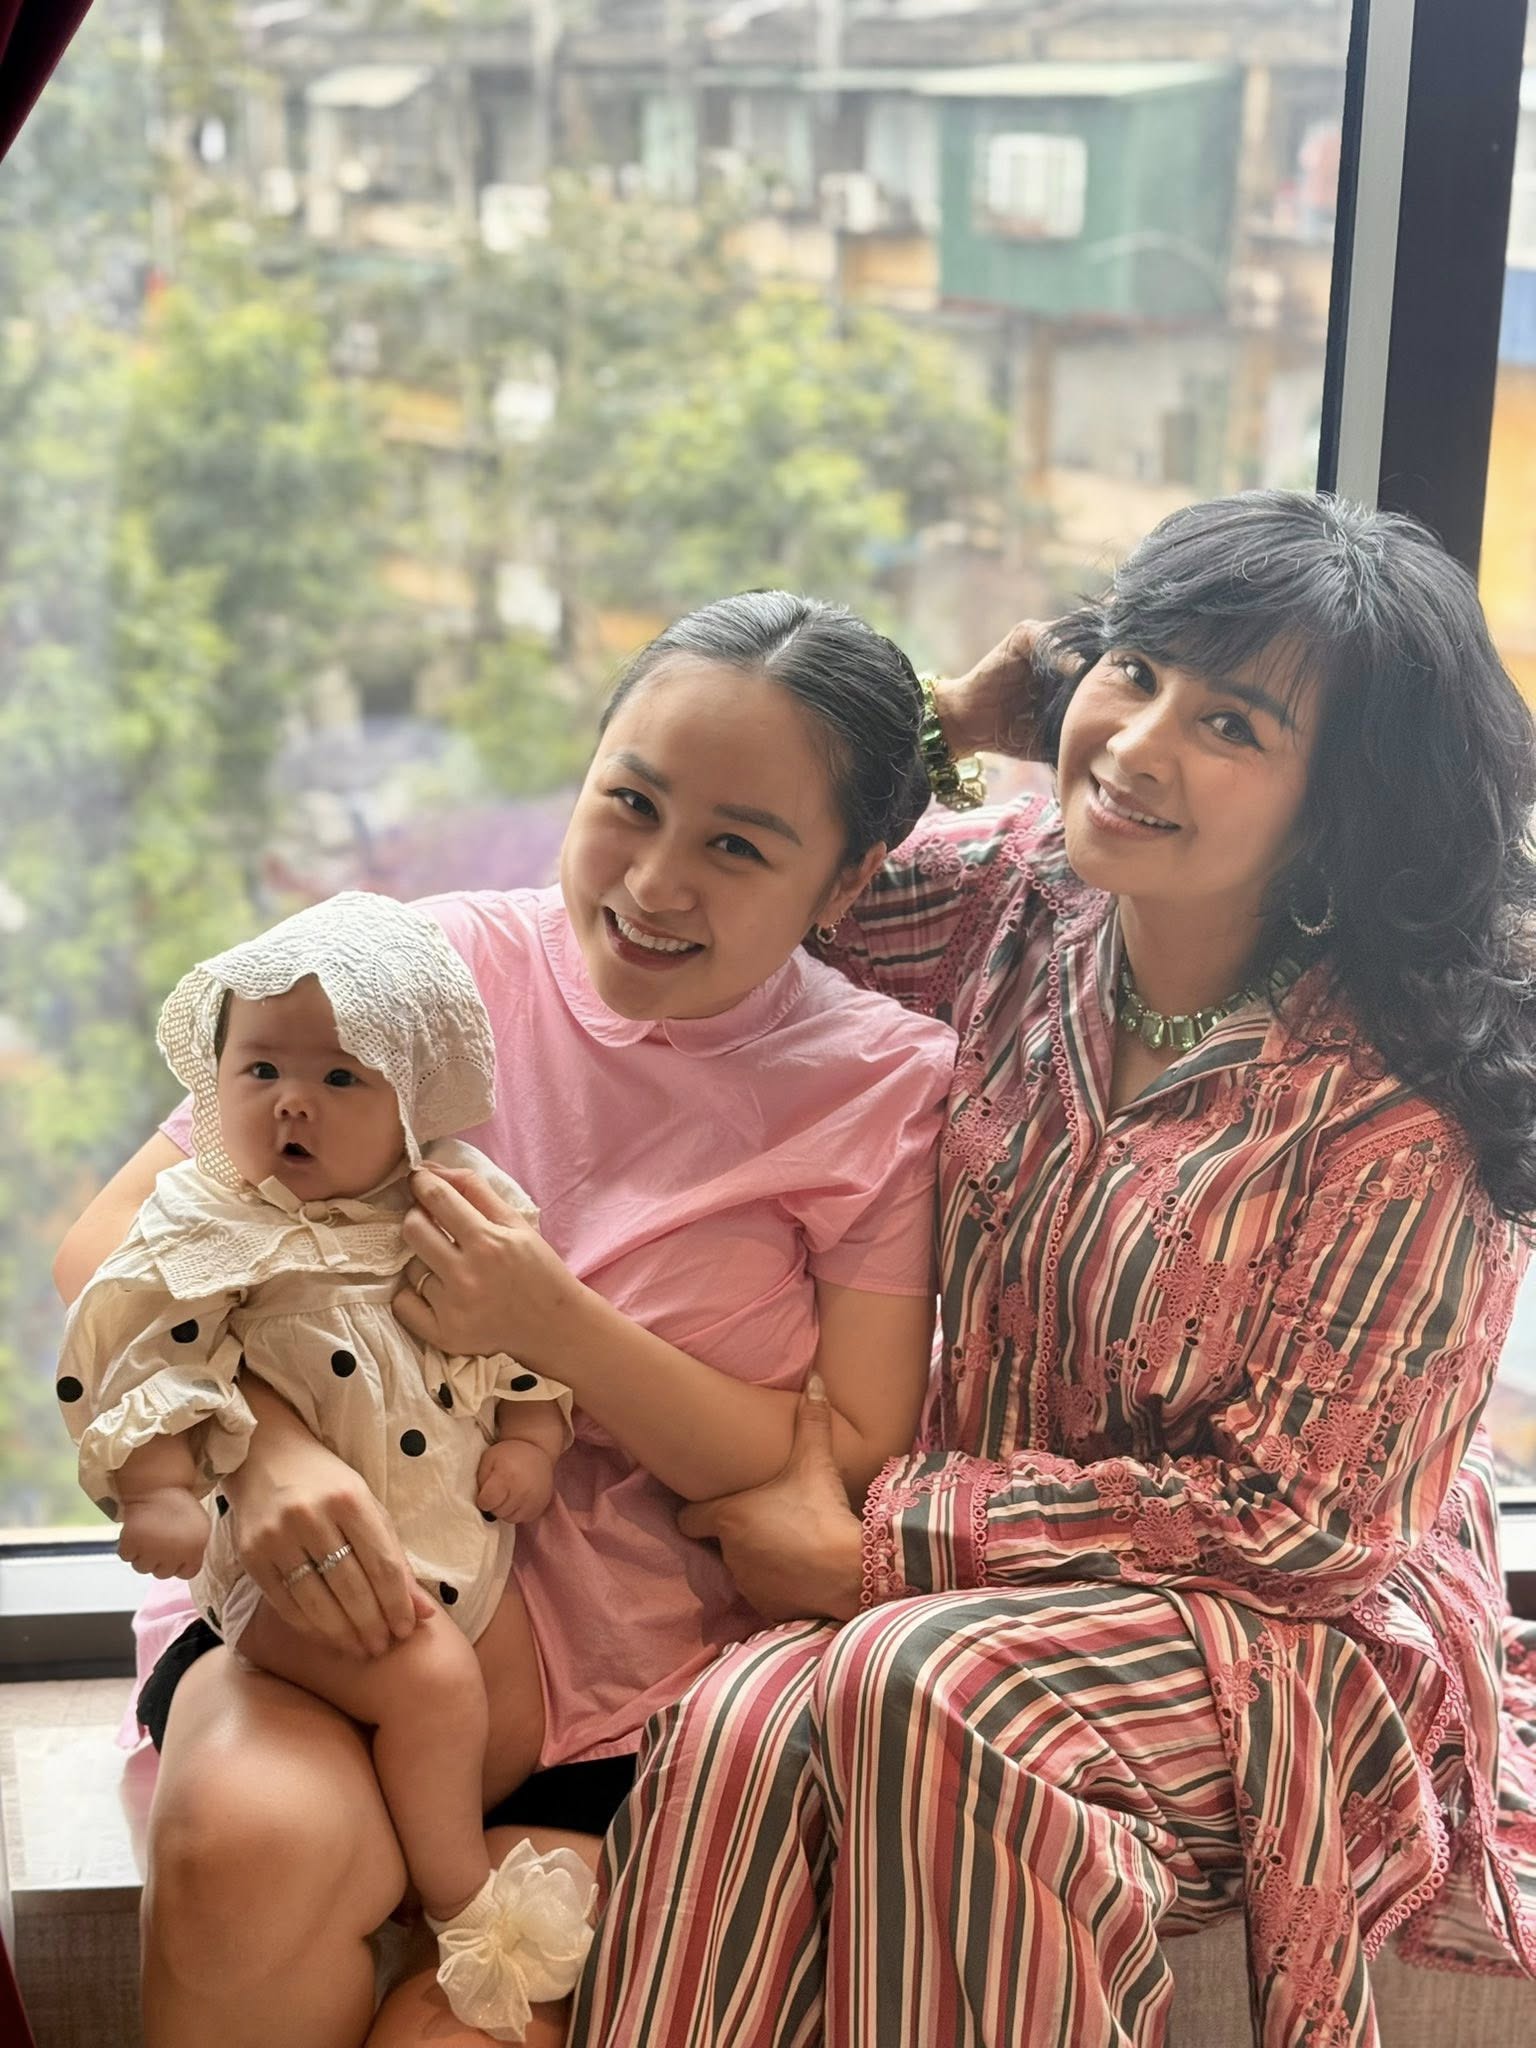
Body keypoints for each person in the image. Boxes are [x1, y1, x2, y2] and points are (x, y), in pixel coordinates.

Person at [565, 491, 1536, 2048]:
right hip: (982, 1605)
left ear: (1343, 804)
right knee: (738, 1720)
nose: (1138, 742)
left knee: (923, 1687)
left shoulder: (1401, 1103)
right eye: (1133, 670)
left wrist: (889, 1544)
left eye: (1230, 724)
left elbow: (1308, 1528)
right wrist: (951, 720)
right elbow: (781, 868)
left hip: (1275, 1642)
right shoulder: (1018, 902)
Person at [52, 590, 958, 2048]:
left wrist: (554, 1322)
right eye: (631, 803)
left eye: (737, 845)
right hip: (322, 1615)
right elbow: (109, 1250)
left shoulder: (882, 1084)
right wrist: (267, 1450)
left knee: (454, 2029)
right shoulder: (426, 968)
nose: (655, 883)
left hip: (638, 1705)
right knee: (241, 1858)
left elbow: (843, 1451)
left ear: (846, 881)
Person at [57, 890, 597, 2040]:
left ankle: (404, 1868)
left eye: (342, 1077)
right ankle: (461, 1901)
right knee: (433, 1681)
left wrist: (532, 1440)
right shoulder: (211, 1222)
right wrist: (159, 1486)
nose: (291, 1101)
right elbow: (151, 1354)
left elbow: (527, 1342)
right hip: (290, 1579)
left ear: (415, 1099)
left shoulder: (455, 1205)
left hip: (461, 1552)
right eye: (259, 1070)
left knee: (495, 1673)